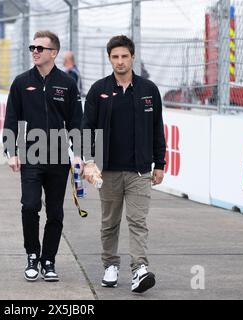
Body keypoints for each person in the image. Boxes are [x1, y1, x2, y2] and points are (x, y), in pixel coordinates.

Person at [81, 35, 166, 293]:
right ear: (110, 59)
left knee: (138, 221)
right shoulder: (99, 90)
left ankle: (139, 269)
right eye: (115, 57)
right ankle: (110, 265)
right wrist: (88, 161)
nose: (120, 61)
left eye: (124, 56)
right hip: (107, 171)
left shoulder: (149, 90)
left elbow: (157, 129)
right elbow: (86, 127)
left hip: (140, 170)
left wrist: (159, 163)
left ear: (132, 58)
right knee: (110, 222)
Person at [3, 31, 83, 282]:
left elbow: (76, 122)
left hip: (59, 159)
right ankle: (32, 255)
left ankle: (49, 260)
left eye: (40, 48)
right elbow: (11, 118)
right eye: (32, 47)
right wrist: (11, 151)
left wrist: (80, 155)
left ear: (53, 53)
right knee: (29, 206)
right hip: (31, 156)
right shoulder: (20, 82)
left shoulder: (68, 84)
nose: (35, 51)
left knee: (56, 212)